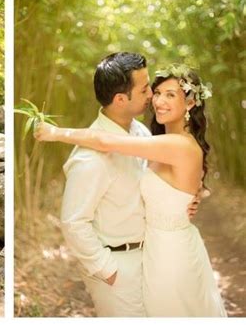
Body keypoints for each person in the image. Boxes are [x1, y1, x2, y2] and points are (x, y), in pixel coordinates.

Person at [35, 62, 226, 316]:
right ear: (120, 98)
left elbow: (104, 140)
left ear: (190, 103)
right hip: (152, 254)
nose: (156, 100)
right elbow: (74, 221)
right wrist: (190, 198)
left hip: (172, 255)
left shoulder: (175, 145)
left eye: (170, 95)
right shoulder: (150, 137)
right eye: (155, 92)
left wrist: (54, 132)